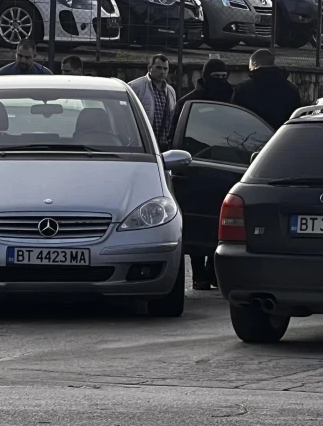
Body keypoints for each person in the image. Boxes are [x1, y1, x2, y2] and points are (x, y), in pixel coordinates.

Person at [173, 58, 234, 291]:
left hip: (224, 169)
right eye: (216, 77)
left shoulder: (231, 100)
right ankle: (200, 274)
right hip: (195, 170)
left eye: (223, 76)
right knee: (197, 227)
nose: (221, 81)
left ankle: (212, 273)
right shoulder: (188, 103)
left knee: (219, 225)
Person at [231, 49, 302, 129]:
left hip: (251, 134)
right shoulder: (292, 89)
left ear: (254, 64)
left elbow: (236, 115)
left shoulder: (243, 88)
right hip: (281, 135)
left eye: (250, 66)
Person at [129, 54, 176, 148]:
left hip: (164, 144)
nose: (162, 72)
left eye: (165, 69)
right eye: (158, 68)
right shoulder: (135, 87)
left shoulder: (171, 91)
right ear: (150, 68)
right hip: (143, 142)